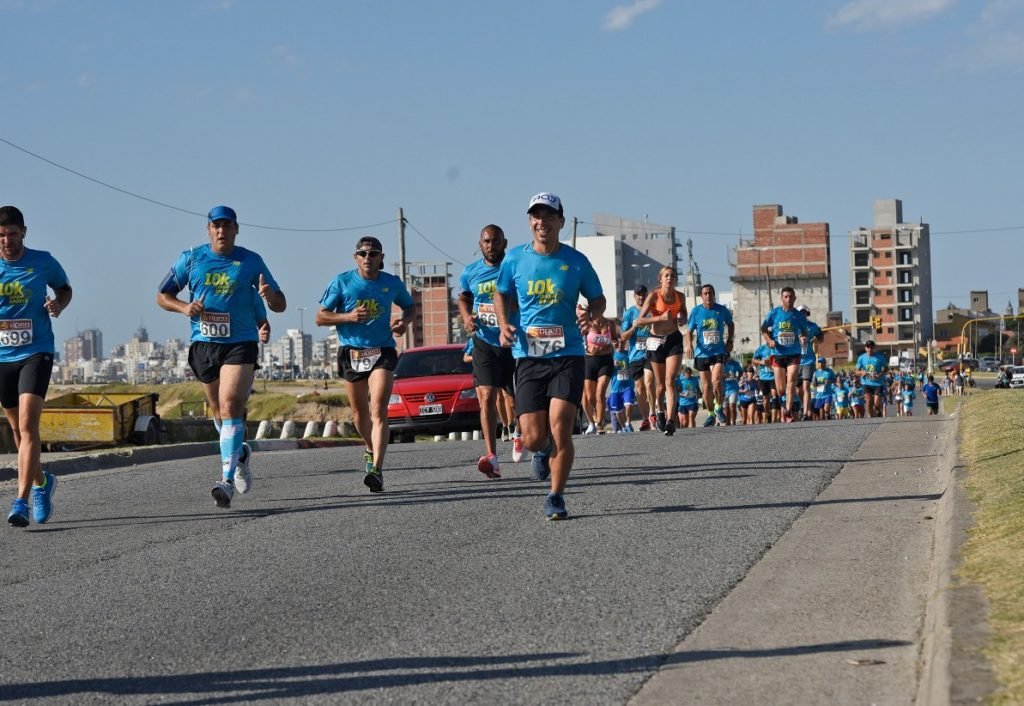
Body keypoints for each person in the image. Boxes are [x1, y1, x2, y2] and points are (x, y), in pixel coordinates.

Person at [158, 205, 286, 508]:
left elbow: (280, 304)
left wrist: (270, 297)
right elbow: (162, 296)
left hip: (240, 344)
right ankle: (239, 454)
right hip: (204, 345)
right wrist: (184, 308)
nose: (221, 231)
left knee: (231, 406)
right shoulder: (191, 259)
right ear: (208, 229)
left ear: (236, 229)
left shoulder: (251, 261)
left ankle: (226, 480)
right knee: (218, 412)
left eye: (227, 225)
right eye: (216, 225)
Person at [494, 192, 605, 521]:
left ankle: (556, 496)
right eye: (535, 216)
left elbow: (597, 299)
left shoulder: (576, 261)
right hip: (529, 356)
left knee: (561, 428)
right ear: (530, 222)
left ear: (560, 220)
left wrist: (591, 314)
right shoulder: (514, 260)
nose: (541, 221)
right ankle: (540, 451)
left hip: (568, 354)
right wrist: (503, 324)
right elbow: (501, 294)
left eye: (548, 215)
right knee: (532, 436)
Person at [316, 235, 414, 492]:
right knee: (360, 415)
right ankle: (370, 448)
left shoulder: (391, 283)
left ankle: (377, 470)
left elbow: (410, 307)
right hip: (352, 353)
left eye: (373, 254)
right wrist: (348, 316)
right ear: (355, 257)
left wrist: (404, 322)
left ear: (382, 258)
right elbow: (320, 317)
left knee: (378, 410)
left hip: (382, 351)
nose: (368, 258)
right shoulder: (343, 282)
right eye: (363, 253)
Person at [1, 206, 72, 527]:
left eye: (12, 234)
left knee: (28, 426)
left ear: (24, 233)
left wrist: (58, 304)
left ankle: (21, 501)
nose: (6, 241)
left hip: (36, 351)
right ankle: (43, 482)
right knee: (17, 431)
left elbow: (64, 288)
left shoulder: (43, 261)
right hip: (2, 358)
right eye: (1, 236)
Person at [457, 224, 520, 478]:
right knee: (486, 397)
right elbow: (463, 297)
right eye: (486, 241)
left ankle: (518, 431)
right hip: (484, 341)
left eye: (496, 241)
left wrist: (508, 306)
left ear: (504, 243)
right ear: (480, 244)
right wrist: (466, 318)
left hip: (512, 341)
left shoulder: (514, 268)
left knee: (514, 398)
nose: (491, 246)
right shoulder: (470, 272)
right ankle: (492, 457)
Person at [637, 266, 687, 435]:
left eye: (672, 276)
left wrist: (681, 318)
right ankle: (659, 409)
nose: (669, 278)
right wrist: (660, 317)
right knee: (659, 385)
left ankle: (671, 420)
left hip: (673, 339)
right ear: (660, 279)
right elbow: (640, 320)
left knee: (670, 381)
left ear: (675, 280)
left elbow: (684, 315)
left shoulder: (680, 296)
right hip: (655, 340)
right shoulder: (653, 296)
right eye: (666, 275)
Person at [685, 283, 735, 428]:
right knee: (706, 387)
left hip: (718, 351)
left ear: (714, 295)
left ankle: (718, 406)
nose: (708, 296)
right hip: (702, 354)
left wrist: (730, 340)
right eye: (705, 293)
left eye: (710, 293)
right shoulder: (696, 311)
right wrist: (689, 345)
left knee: (717, 380)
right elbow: (688, 331)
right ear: (701, 296)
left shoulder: (721, 310)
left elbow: (730, 324)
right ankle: (711, 414)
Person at [760, 287, 809, 423]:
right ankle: (783, 402)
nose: (788, 299)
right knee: (781, 388)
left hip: (794, 353)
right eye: (786, 297)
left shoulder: (798, 316)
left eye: (791, 297)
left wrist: (804, 338)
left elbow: (804, 332)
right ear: (781, 298)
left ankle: (788, 411)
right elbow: (763, 328)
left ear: (794, 298)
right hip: (778, 354)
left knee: (791, 381)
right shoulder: (774, 313)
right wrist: (769, 340)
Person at [619, 286, 652, 430]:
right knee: (640, 387)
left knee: (650, 383)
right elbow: (623, 337)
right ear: (634, 296)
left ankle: (653, 414)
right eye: (639, 295)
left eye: (644, 295)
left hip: (651, 353)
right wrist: (633, 328)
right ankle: (645, 418)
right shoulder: (629, 313)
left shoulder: (652, 311)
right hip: (635, 356)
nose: (641, 297)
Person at [582, 308, 616, 434]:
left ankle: (600, 424)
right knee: (590, 396)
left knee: (600, 393)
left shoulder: (610, 324)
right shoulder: (587, 325)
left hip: (606, 361)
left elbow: (616, 339)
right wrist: (589, 348)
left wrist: (613, 343)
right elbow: (579, 340)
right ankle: (596, 411)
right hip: (590, 361)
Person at [796, 304, 824, 421]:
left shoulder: (812, 326)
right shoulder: (793, 326)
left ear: (807, 314)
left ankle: (805, 411)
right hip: (796, 360)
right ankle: (806, 406)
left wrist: (818, 339)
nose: (802, 314)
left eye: (804, 313)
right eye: (800, 313)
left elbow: (821, 337)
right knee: (798, 389)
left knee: (806, 385)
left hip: (808, 360)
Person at [607, 338, 636, 432]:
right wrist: (611, 365)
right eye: (618, 343)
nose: (620, 345)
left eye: (622, 343)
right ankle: (624, 427)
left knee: (629, 405)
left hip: (628, 386)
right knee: (618, 411)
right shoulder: (611, 356)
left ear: (625, 343)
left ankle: (628, 423)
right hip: (615, 388)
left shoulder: (628, 354)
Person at [855, 340, 888, 417]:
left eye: (871, 347)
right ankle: (872, 419)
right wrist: (862, 373)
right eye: (868, 347)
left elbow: (886, 369)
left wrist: (880, 374)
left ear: (874, 348)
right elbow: (856, 371)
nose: (870, 349)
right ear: (865, 348)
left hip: (878, 383)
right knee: (869, 401)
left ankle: (878, 411)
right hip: (866, 383)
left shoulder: (880, 357)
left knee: (876, 403)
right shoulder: (861, 358)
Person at [810, 357, 836, 421]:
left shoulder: (829, 371)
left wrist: (829, 381)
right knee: (821, 416)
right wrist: (814, 382)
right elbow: (814, 384)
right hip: (819, 395)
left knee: (826, 409)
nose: (820, 364)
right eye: (819, 362)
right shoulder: (815, 372)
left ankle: (828, 414)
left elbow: (835, 380)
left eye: (822, 362)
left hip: (827, 394)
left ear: (825, 363)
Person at [721, 354, 744, 425]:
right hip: (724, 388)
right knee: (726, 409)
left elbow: (741, 371)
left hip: (733, 388)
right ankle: (727, 424)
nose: (727, 358)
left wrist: (738, 377)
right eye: (725, 356)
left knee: (732, 407)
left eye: (728, 356)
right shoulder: (721, 364)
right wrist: (724, 376)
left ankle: (733, 423)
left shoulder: (735, 363)